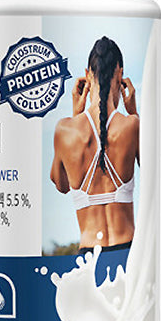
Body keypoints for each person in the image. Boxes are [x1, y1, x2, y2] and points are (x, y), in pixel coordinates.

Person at [50, 36, 139, 257]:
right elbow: (155, 174)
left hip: (88, 256)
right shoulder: (131, 125)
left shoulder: (65, 130)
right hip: (128, 250)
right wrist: (133, 112)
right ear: (120, 74)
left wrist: (75, 116)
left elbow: (61, 185)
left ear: (87, 75)